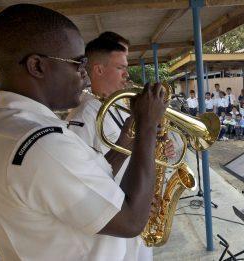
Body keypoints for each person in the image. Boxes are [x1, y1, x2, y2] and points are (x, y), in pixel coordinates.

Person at [0, 4, 167, 260]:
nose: (84, 74)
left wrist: (128, 141)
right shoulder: (42, 145)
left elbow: (87, 178)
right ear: (37, 66)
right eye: (78, 63)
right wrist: (147, 128)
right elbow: (130, 222)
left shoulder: (9, 126)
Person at [67, 34, 175, 261]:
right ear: (98, 70)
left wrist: (157, 146)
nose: (127, 74)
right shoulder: (85, 115)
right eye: (120, 67)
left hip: (135, 207)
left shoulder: (114, 106)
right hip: (116, 224)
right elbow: (84, 185)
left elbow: (130, 151)